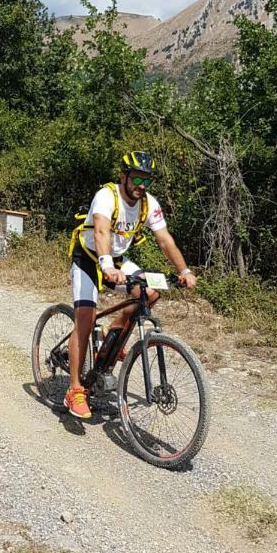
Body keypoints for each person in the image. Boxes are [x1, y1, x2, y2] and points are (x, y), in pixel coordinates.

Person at [65, 150, 197, 419]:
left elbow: (164, 239)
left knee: (149, 294)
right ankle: (75, 389)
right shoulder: (107, 196)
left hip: (117, 260)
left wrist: (183, 270)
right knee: (85, 319)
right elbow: (101, 230)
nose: (141, 186)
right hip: (90, 259)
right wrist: (106, 265)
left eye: (146, 181)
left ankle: (112, 339)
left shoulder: (148, 204)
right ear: (123, 176)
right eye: (136, 178)